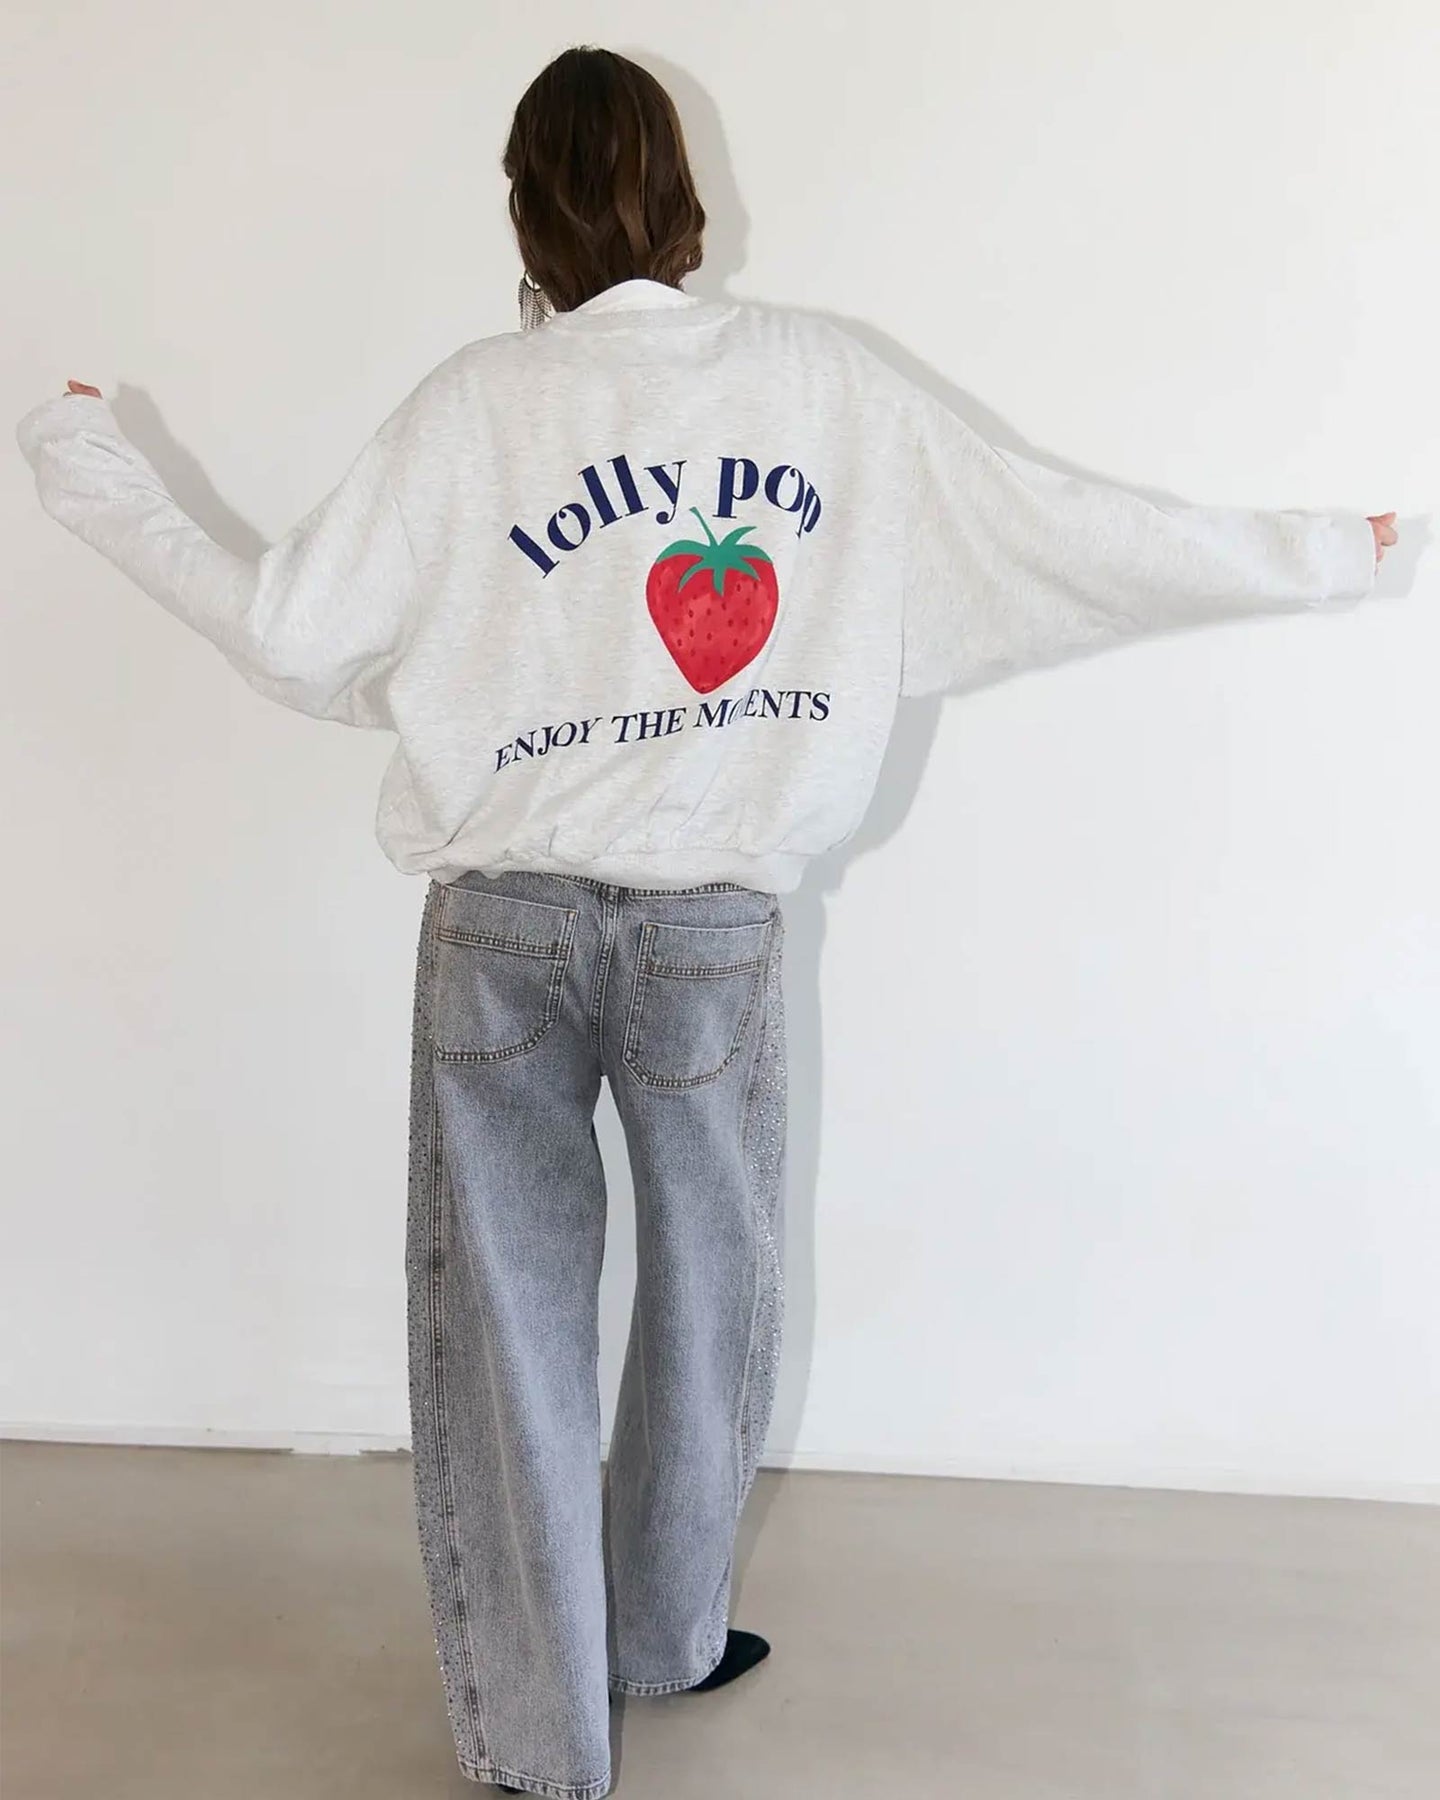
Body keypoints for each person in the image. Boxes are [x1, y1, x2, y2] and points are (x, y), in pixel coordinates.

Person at [16, 42, 1398, 1800]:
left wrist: (85, 457)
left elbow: (296, 633)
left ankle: (547, 1746)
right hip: (709, 939)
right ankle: (662, 1635)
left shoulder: (476, 405)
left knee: (508, 1331)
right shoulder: (822, 387)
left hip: (502, 932)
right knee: (709, 1295)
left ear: (524, 215)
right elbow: (1066, 538)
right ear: (682, 198)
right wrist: (1335, 550)